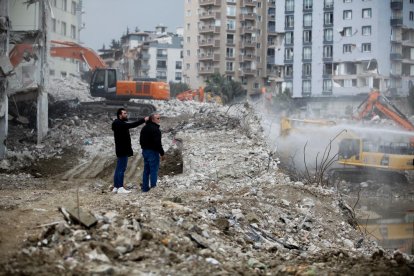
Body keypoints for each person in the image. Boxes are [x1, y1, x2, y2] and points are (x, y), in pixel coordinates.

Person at [112, 108, 148, 194]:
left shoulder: (118, 123)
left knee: (119, 168)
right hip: (123, 149)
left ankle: (116, 187)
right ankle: (120, 187)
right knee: (122, 168)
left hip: (120, 149)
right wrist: (144, 120)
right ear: (120, 115)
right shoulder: (119, 124)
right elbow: (132, 125)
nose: (126, 114)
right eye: (124, 113)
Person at [140, 113, 165, 193]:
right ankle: (154, 189)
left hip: (145, 151)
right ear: (153, 120)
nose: (159, 120)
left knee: (146, 171)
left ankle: (145, 189)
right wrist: (162, 153)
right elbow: (158, 143)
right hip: (153, 152)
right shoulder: (155, 130)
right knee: (153, 171)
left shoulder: (144, 128)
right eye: (158, 118)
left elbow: (141, 141)